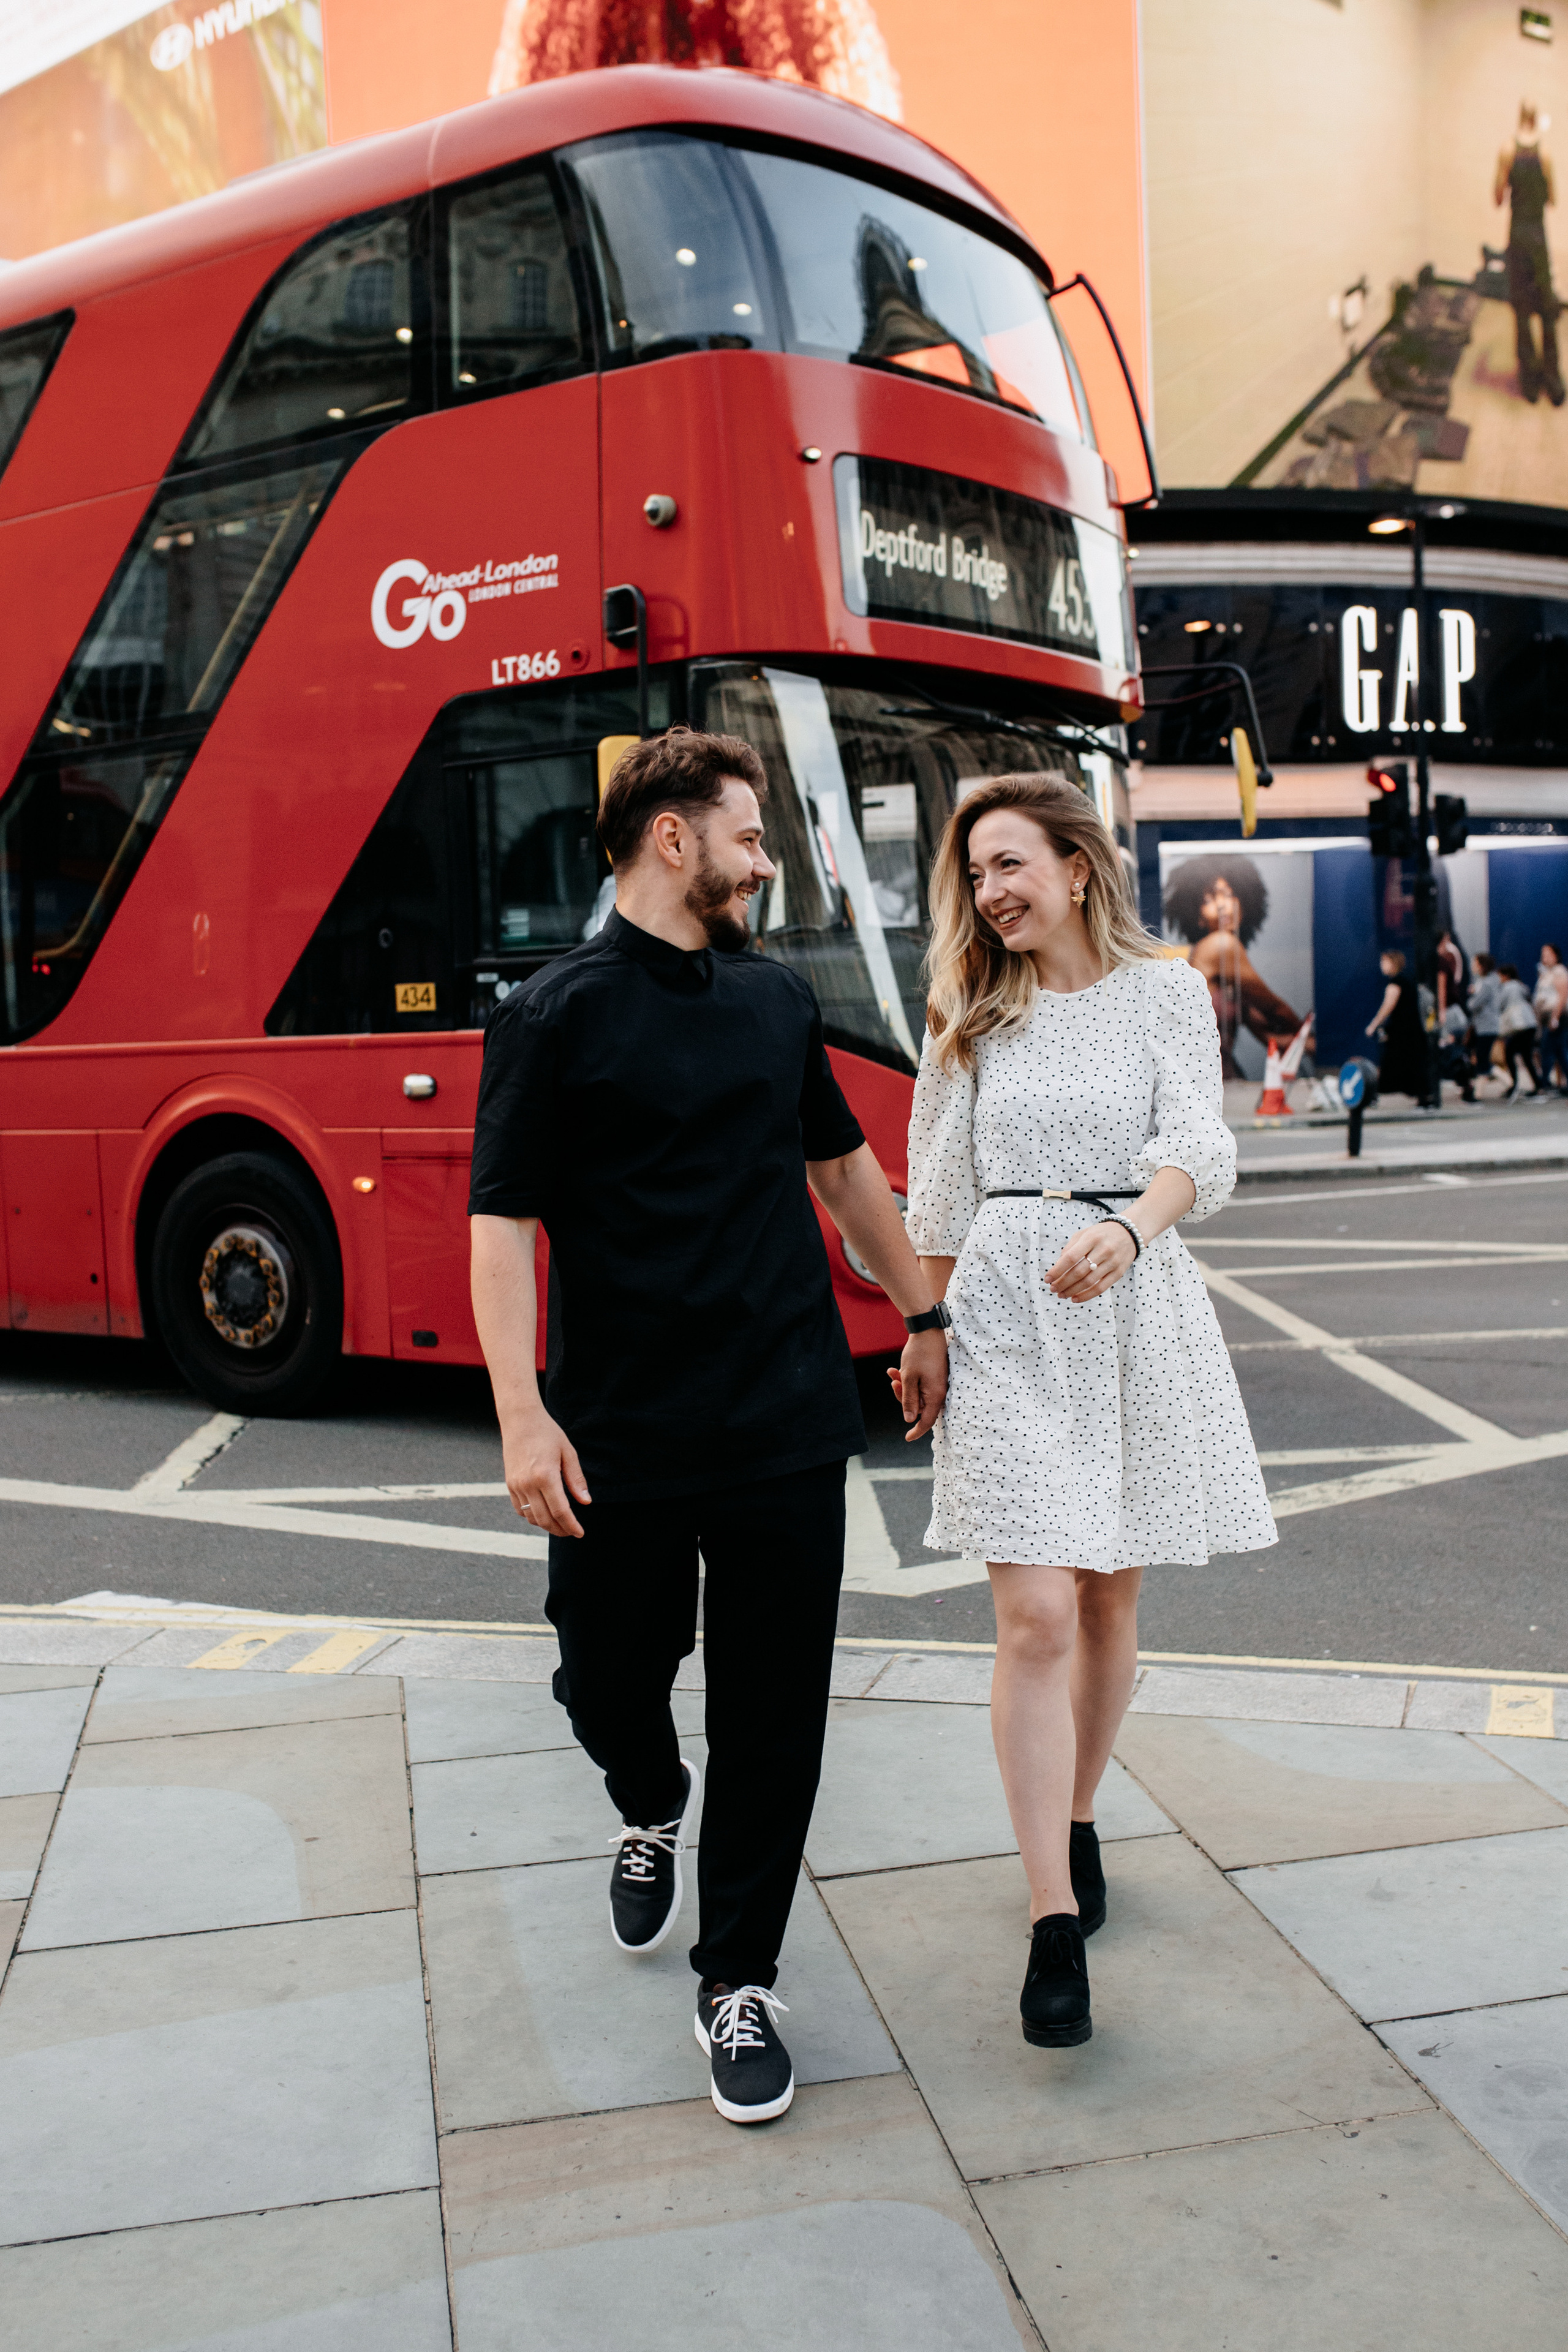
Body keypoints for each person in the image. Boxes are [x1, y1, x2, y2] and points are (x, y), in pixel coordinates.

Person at [468, 726, 950, 2127]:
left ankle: (737, 1975)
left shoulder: (771, 1000)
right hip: (617, 1430)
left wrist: (922, 1316)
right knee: (603, 1677)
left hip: (786, 1422)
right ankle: (645, 1790)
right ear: (668, 836)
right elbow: (501, 1226)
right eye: (747, 834)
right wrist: (520, 1412)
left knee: (774, 1721)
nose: (765, 858)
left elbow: (849, 1179)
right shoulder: (549, 1015)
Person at [898, 775, 1276, 2052]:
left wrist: (1127, 1229)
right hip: (1004, 1309)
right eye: (976, 875)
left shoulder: (1165, 988)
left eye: (1010, 865)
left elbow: (1199, 1147)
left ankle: (1070, 1810)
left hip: (1129, 1296)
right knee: (1035, 1609)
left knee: (1109, 1595)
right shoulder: (968, 1010)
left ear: (1074, 864)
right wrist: (923, 1325)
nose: (992, 893)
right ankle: (1051, 1919)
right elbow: (937, 1194)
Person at [1160, 854, 1308, 1081]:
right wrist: (1309, 1033)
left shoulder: (1221, 967)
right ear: (1197, 916)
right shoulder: (1220, 946)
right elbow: (1274, 1009)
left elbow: (1267, 1034)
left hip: (1218, 1079)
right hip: (1205, 1082)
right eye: (1208, 900)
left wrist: (1306, 1044)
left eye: (1228, 895)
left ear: (1244, 902)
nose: (1222, 906)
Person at [1495, 103, 1565, 406]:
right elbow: (1553, 199)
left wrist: (1512, 185)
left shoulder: (1506, 151)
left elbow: (1497, 198)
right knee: (1547, 309)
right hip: (1538, 236)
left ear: (1518, 118)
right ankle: (1555, 384)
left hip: (1518, 234)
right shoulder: (1546, 155)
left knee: (1522, 309)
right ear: (1536, 121)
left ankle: (1530, 386)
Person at [1366, 948, 1428, 1102]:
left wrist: (1373, 1025)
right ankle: (1421, 1097)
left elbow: (1387, 1007)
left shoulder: (1395, 984)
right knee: (1411, 1064)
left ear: (1393, 963)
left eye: (1384, 962)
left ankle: (1373, 1096)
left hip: (1402, 1032)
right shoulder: (1406, 981)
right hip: (1411, 1030)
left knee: (1390, 1062)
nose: (1381, 965)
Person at [1498, 962, 1542, 1098]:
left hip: (1520, 1026)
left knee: (1511, 1053)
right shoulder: (1521, 986)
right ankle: (1537, 1085)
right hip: (1529, 1024)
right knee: (1525, 1056)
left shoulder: (1508, 987)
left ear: (1506, 976)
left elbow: (1500, 1004)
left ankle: (1517, 1085)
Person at [1534, 943, 1568, 1094]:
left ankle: (1543, 1085)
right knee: (1560, 1051)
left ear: (1556, 956)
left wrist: (1555, 1018)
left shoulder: (1559, 972)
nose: (1544, 958)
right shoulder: (1546, 973)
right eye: (1543, 955)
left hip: (1557, 1016)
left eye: (1548, 954)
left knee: (1547, 1049)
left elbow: (1562, 996)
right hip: (1546, 1017)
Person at [1469, 951, 1504, 1090]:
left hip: (1486, 1026)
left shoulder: (1486, 984)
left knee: (1482, 1059)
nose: (1473, 966)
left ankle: (1479, 1093)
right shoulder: (1487, 982)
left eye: (1475, 963)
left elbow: (1474, 1004)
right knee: (1482, 1058)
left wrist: (1471, 997)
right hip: (1487, 1025)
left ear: (1481, 966)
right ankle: (1478, 1092)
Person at [1436, 927, 1468, 1017]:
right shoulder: (1452, 951)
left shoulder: (1447, 956)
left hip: (1451, 997)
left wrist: (1442, 1011)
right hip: (1454, 992)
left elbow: (1442, 986)